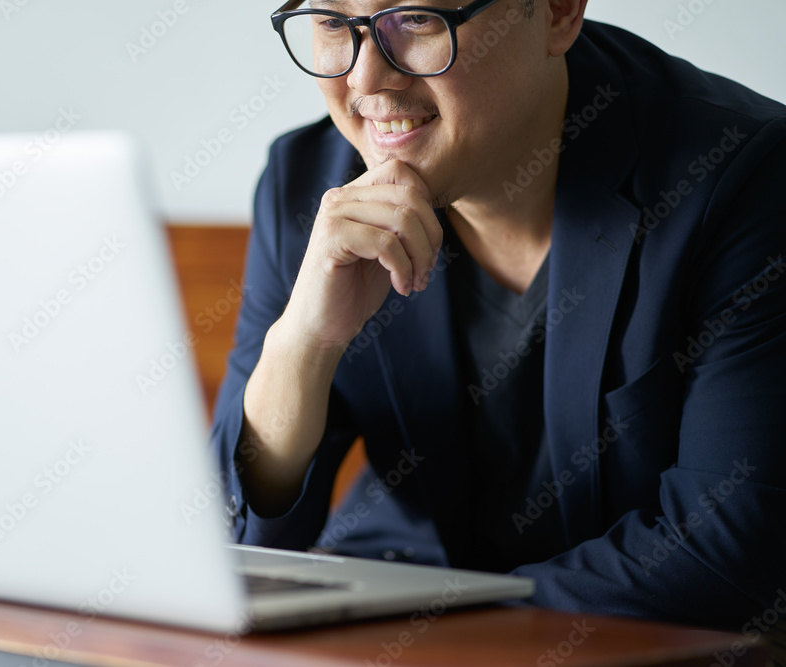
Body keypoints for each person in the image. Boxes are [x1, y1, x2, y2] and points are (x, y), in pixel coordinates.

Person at [210, 0, 786, 640]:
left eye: (420, 19)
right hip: (387, 599)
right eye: (331, 24)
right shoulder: (306, 187)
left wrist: (426, 626)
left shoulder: (743, 177)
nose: (366, 80)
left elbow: (728, 557)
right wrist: (303, 344)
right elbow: (234, 543)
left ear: (559, 13)